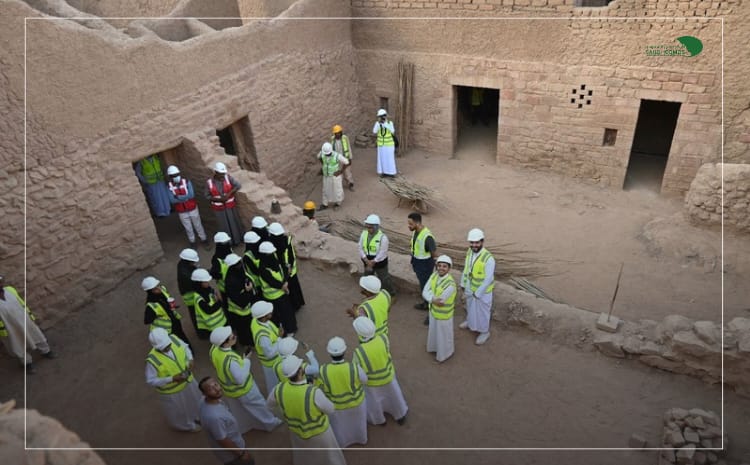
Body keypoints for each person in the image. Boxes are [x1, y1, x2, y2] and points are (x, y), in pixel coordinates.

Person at [268, 355, 347, 465]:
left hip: (296, 431)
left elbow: (270, 406)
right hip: (319, 433)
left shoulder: (278, 389)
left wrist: (285, 417)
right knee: (330, 457)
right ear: (300, 371)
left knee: (305, 456)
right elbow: (330, 409)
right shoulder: (313, 392)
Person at [208, 326, 282, 433]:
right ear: (225, 343)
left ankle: (245, 427)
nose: (235, 336)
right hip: (244, 389)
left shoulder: (213, 350)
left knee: (239, 410)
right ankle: (271, 422)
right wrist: (246, 360)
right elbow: (240, 379)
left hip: (229, 390)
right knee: (259, 406)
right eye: (232, 337)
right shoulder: (230, 359)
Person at [352, 317, 408, 426]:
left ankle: (379, 419)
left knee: (375, 402)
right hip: (388, 376)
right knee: (394, 396)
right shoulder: (383, 338)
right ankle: (400, 414)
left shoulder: (359, 352)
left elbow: (358, 371)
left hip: (372, 384)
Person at [144, 328, 202, 432]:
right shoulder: (152, 360)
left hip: (188, 381)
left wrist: (190, 359)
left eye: (167, 345)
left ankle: (196, 416)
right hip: (172, 391)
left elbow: (185, 348)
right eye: (164, 348)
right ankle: (188, 426)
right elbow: (151, 380)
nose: (167, 348)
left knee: (194, 399)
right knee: (180, 410)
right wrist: (171, 379)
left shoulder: (174, 339)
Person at [316, 336, 368, 447]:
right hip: (356, 403)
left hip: (336, 407)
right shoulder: (354, 367)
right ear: (344, 351)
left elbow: (320, 387)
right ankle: (361, 439)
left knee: (340, 427)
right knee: (358, 423)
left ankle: (343, 443)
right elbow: (365, 380)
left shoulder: (323, 370)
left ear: (329, 353)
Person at [0, 275, 55, 373]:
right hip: (9, 327)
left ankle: (46, 351)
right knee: (17, 344)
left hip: (24, 319)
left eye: (0, 281)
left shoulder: (10, 290)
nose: (0, 284)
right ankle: (27, 363)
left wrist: (30, 316)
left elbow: (21, 303)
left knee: (36, 334)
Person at [198, 376, 255, 465]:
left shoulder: (203, 401)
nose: (216, 389)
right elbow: (222, 439)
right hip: (233, 456)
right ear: (204, 394)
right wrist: (241, 454)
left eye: (216, 385)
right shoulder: (215, 417)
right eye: (210, 389)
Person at [460, 228, 495, 346]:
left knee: (483, 312)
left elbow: (488, 279)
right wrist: (463, 284)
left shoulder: (488, 258)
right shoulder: (469, 252)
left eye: (476, 242)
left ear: (482, 242)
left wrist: (478, 293)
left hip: (483, 293)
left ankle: (484, 332)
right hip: (470, 287)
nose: (474, 245)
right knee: (470, 307)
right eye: (472, 242)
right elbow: (466, 269)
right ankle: (470, 322)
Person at [142, 276, 192, 351]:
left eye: (158, 286)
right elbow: (147, 320)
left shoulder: (163, 290)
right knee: (175, 342)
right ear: (150, 291)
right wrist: (158, 316)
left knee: (182, 336)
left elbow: (167, 298)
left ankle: (189, 351)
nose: (159, 288)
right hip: (168, 328)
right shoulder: (151, 306)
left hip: (175, 320)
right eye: (155, 288)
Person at [257, 241, 297, 336]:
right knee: (277, 316)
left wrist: (285, 280)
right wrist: (283, 286)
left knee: (287, 314)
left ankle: (290, 329)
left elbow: (282, 268)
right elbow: (271, 281)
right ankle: (282, 332)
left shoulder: (273, 259)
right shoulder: (263, 268)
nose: (272, 255)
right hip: (272, 297)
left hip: (282, 293)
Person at [424, 255, 457, 363]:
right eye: (439, 265)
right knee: (434, 333)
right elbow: (425, 291)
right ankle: (434, 348)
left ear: (449, 268)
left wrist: (430, 297)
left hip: (444, 315)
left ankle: (443, 355)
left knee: (444, 336)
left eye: (444, 266)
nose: (441, 268)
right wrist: (433, 299)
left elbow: (441, 301)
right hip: (434, 312)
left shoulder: (450, 284)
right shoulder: (434, 275)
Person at [167, 165, 209, 249]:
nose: (176, 176)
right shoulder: (169, 186)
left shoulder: (186, 182)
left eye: (177, 174)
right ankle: (192, 242)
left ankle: (204, 240)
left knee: (198, 225)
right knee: (188, 228)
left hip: (192, 208)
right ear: (170, 177)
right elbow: (172, 200)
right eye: (174, 175)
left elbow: (191, 195)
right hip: (182, 211)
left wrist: (178, 197)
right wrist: (185, 197)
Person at [223, 253, 258, 350]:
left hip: (247, 308)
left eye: (239, 262)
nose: (240, 265)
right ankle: (247, 343)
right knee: (244, 330)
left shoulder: (239, 272)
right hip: (240, 311)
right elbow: (241, 302)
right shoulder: (231, 282)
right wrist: (249, 291)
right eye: (237, 264)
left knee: (249, 327)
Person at [268, 222, 305, 312]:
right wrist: (291, 266)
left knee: (289, 290)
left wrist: (287, 268)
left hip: (284, 271)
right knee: (294, 288)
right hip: (290, 269)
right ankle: (297, 304)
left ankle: (293, 306)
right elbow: (291, 255)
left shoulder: (272, 244)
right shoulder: (287, 240)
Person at [205, 162, 243, 246]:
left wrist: (229, 194)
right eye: (221, 174)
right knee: (224, 226)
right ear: (216, 172)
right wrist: (218, 200)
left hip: (230, 206)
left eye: (223, 174)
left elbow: (238, 185)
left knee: (233, 224)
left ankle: (237, 241)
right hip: (219, 209)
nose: (223, 176)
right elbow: (207, 196)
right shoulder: (209, 183)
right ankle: (228, 243)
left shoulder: (228, 178)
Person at [358, 214, 396, 297]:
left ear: (376, 227)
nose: (368, 229)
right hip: (367, 260)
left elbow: (383, 252)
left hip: (379, 262)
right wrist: (366, 260)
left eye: (370, 227)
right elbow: (360, 247)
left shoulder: (383, 238)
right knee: (367, 276)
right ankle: (369, 292)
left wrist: (373, 261)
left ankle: (391, 293)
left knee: (384, 278)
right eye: (367, 227)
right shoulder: (363, 234)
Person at [407, 212, 437, 316]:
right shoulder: (416, 231)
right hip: (417, 262)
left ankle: (431, 311)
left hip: (425, 265)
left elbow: (434, 253)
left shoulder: (427, 237)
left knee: (427, 288)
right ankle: (426, 303)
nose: (408, 226)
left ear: (417, 223)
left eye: (410, 224)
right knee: (423, 285)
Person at [250, 300, 282, 394]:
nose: (271, 313)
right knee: (274, 384)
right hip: (272, 363)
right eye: (269, 312)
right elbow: (269, 354)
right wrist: (279, 338)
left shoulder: (255, 320)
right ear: (264, 316)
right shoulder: (263, 336)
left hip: (273, 361)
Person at [191, 268, 226, 340]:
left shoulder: (208, 289)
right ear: (199, 283)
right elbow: (209, 310)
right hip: (214, 325)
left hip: (221, 321)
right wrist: (219, 302)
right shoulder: (198, 298)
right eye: (206, 282)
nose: (208, 283)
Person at [316, 142, 349, 211]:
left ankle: (338, 203)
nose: (327, 155)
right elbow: (319, 157)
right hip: (326, 175)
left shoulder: (337, 155)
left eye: (328, 154)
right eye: (326, 154)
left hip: (335, 176)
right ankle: (325, 204)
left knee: (337, 190)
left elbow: (346, 162)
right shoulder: (322, 153)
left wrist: (341, 171)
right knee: (325, 190)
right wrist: (323, 166)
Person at [177, 248, 201, 335]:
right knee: (195, 314)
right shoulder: (185, 274)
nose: (194, 263)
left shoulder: (182, 264)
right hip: (190, 296)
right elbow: (194, 284)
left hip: (189, 293)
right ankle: (200, 331)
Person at [210, 231, 233, 305]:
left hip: (234, 283)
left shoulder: (230, 251)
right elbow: (214, 274)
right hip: (225, 288)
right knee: (228, 304)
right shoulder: (216, 260)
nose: (227, 244)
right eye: (225, 242)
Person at [372, 108, 397, 177]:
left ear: (385, 116)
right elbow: (374, 131)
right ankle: (384, 172)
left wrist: (385, 124)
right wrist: (378, 124)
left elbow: (392, 131)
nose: (381, 118)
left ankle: (391, 172)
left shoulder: (390, 123)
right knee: (382, 159)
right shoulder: (377, 123)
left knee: (390, 159)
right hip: (381, 145)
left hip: (389, 145)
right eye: (379, 117)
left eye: (382, 116)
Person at [331, 124, 354, 191]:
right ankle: (338, 187)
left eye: (338, 133)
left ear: (341, 132)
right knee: (338, 173)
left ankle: (350, 184)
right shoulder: (332, 139)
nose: (337, 135)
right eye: (336, 133)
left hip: (345, 158)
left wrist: (350, 158)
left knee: (347, 172)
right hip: (337, 159)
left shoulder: (345, 138)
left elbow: (349, 147)